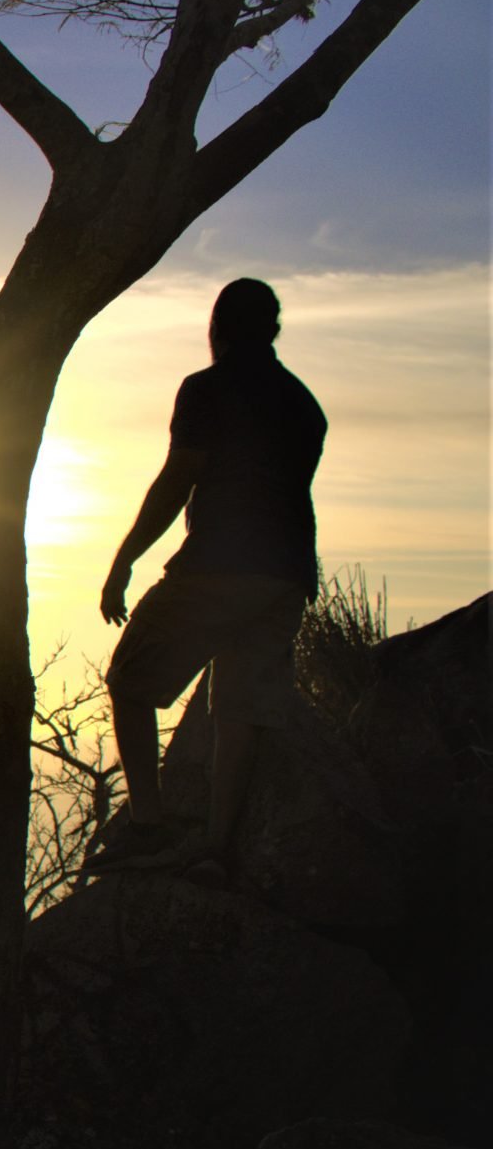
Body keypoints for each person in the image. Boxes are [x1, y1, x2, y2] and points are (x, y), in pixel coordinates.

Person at [96, 277, 326, 884]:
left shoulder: (206, 389)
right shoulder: (305, 405)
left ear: (216, 330)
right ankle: (217, 848)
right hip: (287, 575)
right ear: (272, 330)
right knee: (241, 710)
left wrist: (124, 558)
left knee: (129, 679)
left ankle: (149, 827)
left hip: (220, 564)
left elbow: (178, 480)